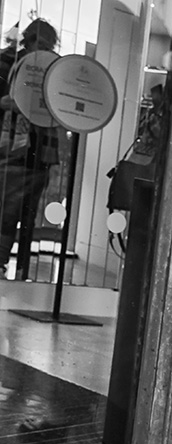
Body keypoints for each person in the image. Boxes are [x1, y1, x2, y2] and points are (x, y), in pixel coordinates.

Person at [0, 19, 60, 275]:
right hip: (15, 149)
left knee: (23, 215)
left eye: (48, 44)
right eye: (41, 42)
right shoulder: (9, 62)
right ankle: (6, 262)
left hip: (37, 152)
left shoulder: (52, 67)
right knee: (8, 212)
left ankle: (21, 265)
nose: (44, 48)